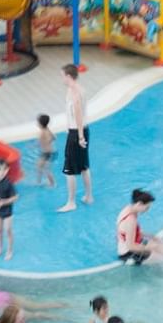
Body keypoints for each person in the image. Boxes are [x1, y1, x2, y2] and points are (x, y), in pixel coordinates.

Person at [59, 64, 93, 212]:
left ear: (68, 76)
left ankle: (71, 202)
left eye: (62, 76)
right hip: (83, 130)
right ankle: (88, 196)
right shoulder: (80, 89)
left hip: (77, 132)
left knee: (69, 169)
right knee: (84, 165)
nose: (61, 78)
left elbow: (78, 113)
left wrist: (79, 136)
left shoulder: (74, 92)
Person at [115, 189, 163, 265]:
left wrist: (151, 236)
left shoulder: (128, 209)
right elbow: (131, 246)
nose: (147, 210)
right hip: (128, 254)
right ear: (139, 204)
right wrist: (152, 248)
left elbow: (128, 232)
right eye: (147, 207)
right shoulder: (130, 220)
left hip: (134, 243)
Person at [34, 114, 56, 187]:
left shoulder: (41, 132)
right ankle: (39, 182)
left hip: (47, 153)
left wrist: (32, 146)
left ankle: (52, 184)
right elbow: (54, 137)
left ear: (40, 124)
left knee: (45, 169)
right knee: (39, 166)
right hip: (49, 152)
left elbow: (38, 143)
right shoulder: (47, 129)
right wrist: (48, 141)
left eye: (37, 122)